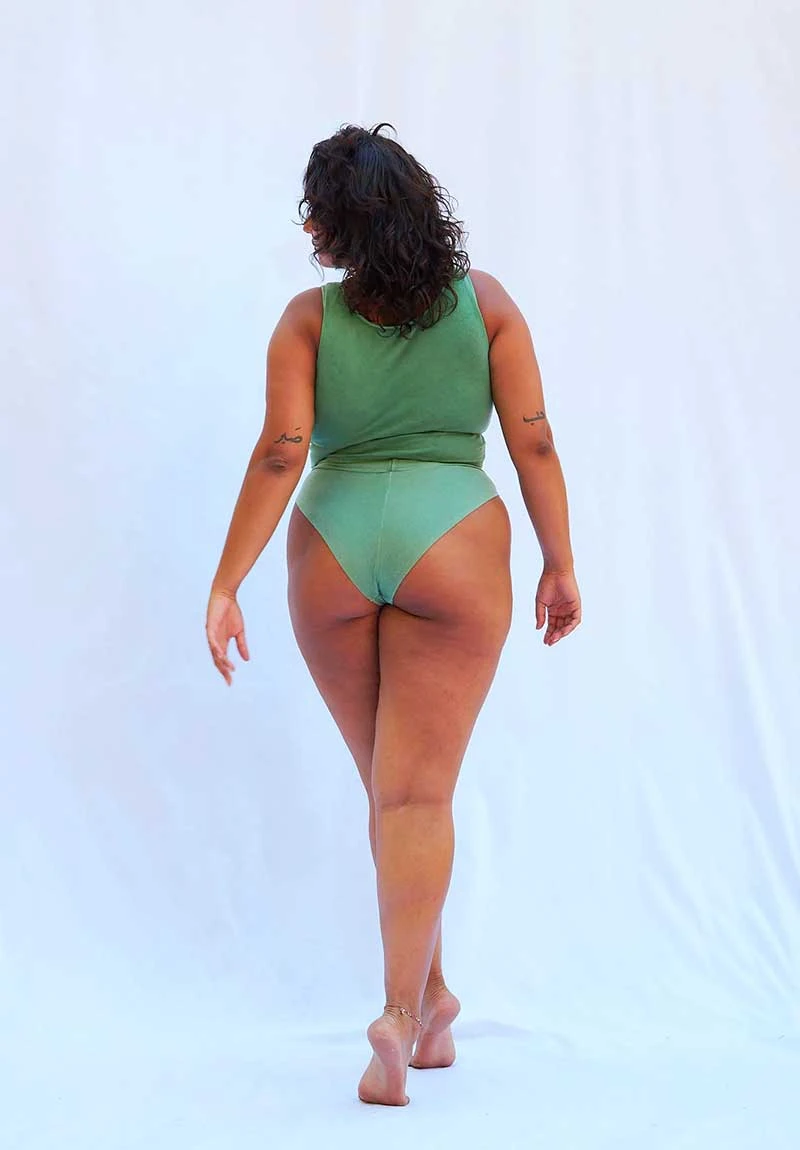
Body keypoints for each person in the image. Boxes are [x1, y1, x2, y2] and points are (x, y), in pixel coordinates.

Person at [205, 122, 581, 1106]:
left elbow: (283, 450)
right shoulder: (486, 305)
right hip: (452, 539)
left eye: (315, 215)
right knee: (413, 796)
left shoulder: (307, 320)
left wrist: (227, 581)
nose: (306, 231)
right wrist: (558, 559)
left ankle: (434, 1001)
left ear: (342, 226)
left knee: (390, 791)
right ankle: (401, 1016)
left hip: (330, 549)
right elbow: (534, 444)